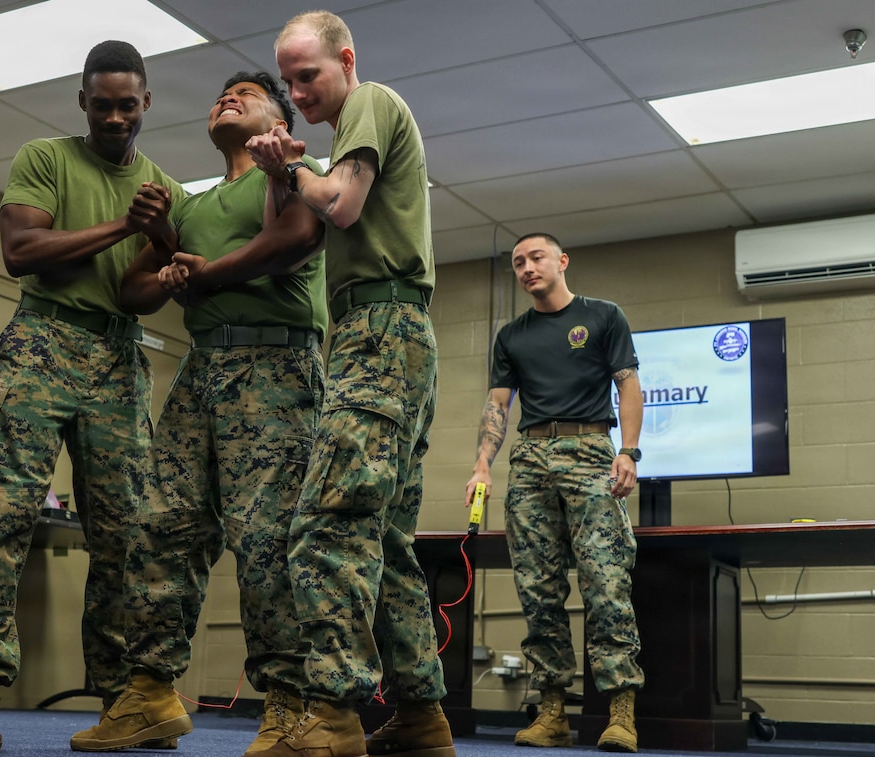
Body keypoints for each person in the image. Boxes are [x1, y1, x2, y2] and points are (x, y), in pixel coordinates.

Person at [66, 70, 327, 754]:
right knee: (160, 527)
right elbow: (133, 291)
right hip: (202, 367)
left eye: (247, 93)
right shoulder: (194, 203)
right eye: (221, 95)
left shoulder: (298, 170)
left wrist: (204, 273)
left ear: (282, 121)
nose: (227, 99)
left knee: (265, 537)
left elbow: (297, 236)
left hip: (275, 366)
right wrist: (166, 258)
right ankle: (151, 692)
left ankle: (289, 704)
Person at [0, 40, 184, 754]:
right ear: (84, 103)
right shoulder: (44, 158)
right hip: (44, 344)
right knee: (8, 515)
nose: (115, 117)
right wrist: (126, 225)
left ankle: (120, 701)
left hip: (118, 354)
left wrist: (163, 232)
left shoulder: (163, 183)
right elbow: (22, 251)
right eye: (102, 104)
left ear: (147, 103)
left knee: (124, 536)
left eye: (127, 104)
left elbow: (145, 280)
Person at [245, 11, 455, 757]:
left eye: (310, 74)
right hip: (383, 338)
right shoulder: (337, 140)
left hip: (381, 333)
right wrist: (281, 174)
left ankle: (333, 715)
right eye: (289, 78)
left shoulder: (371, 103)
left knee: (326, 526)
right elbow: (284, 234)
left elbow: (341, 203)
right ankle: (423, 720)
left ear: (346, 61)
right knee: (387, 541)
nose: (299, 91)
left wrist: (294, 171)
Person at [464, 232, 645, 753]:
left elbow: (628, 383)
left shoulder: (603, 316)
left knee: (605, 583)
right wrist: (482, 466)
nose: (526, 268)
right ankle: (550, 711)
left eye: (536, 257)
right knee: (538, 589)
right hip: (530, 460)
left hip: (590, 451)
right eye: (518, 262)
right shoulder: (512, 336)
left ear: (562, 262)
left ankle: (620, 711)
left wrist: (628, 452)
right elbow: (499, 403)